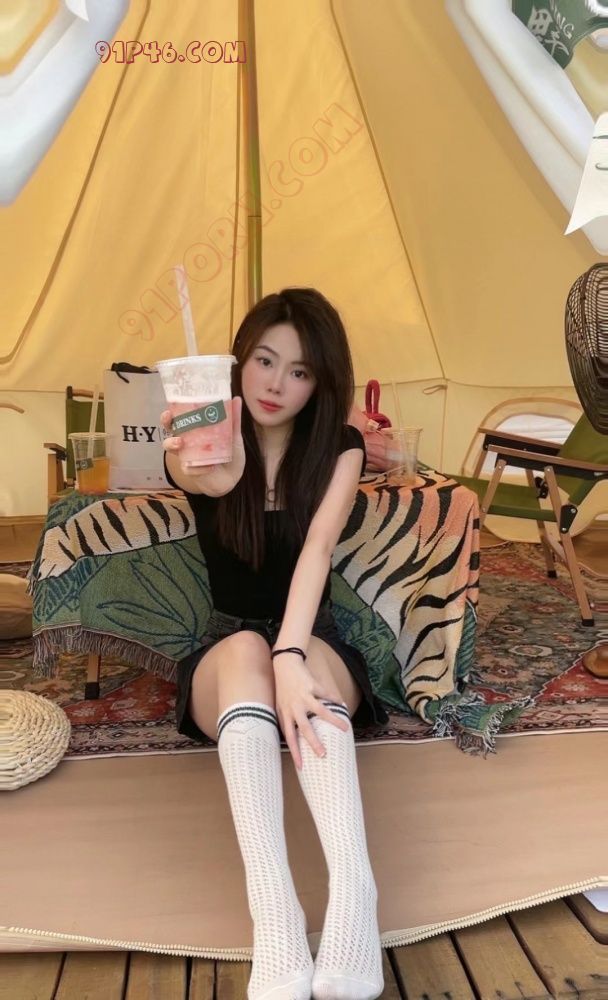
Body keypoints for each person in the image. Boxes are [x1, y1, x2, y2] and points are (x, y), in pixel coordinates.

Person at [162, 287, 388, 1000]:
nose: (275, 384)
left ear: (320, 382)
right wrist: (204, 461)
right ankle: (276, 915)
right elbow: (193, 472)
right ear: (238, 361)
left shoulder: (340, 448)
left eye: (298, 371)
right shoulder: (205, 437)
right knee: (244, 652)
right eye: (263, 360)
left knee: (297, 657)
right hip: (228, 651)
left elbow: (317, 551)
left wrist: (289, 654)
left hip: (309, 637)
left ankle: (356, 897)